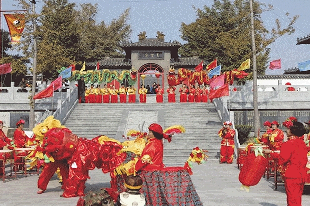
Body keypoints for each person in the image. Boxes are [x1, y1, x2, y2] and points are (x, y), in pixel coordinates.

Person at [276, 121, 308, 206]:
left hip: (292, 175)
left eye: (288, 128)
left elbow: (282, 159)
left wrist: (271, 153)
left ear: (292, 130)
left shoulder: (288, 144)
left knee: (292, 200)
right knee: (297, 198)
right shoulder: (302, 143)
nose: (286, 130)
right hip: (301, 175)